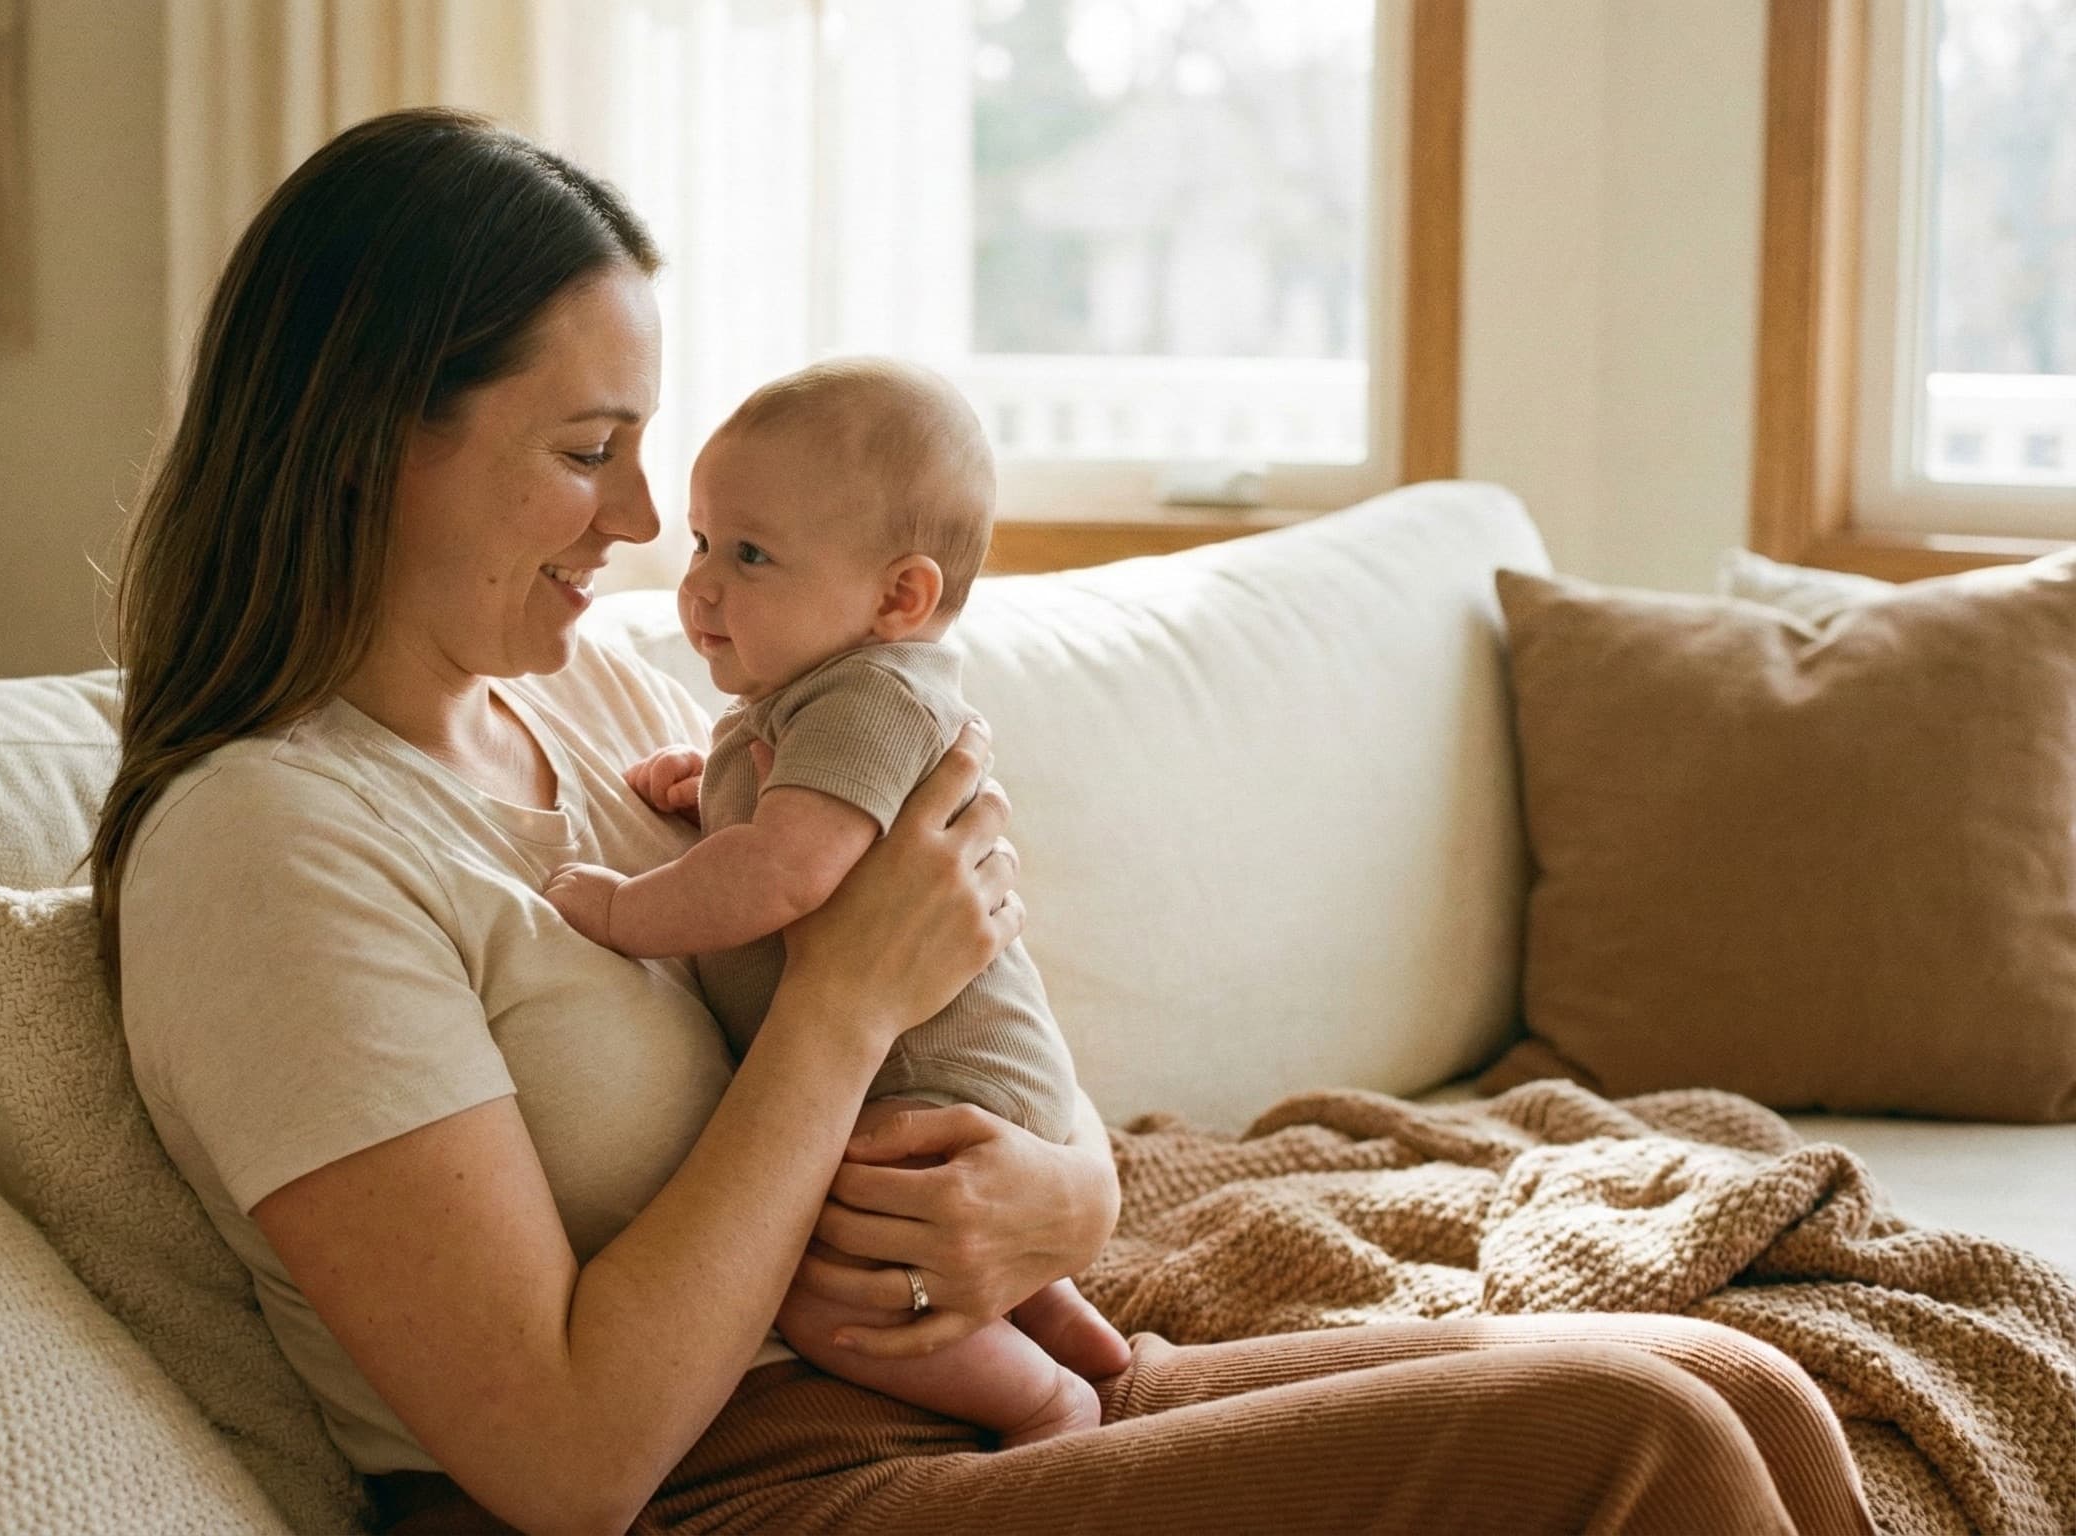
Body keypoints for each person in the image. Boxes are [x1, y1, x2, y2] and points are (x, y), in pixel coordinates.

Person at [97, 107, 1875, 1536]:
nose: (642, 522)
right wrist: (841, 1007)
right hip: (761, 1487)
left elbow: (986, 1040)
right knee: (1625, 1438)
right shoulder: (271, 851)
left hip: (969, 1393)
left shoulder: (612, 711)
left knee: (1740, 1386)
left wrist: (1058, 1199)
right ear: (358, 441)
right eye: (585, 449)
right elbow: (569, 1464)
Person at [542, 357, 1129, 1448]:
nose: (700, 585)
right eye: (707, 542)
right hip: (966, 1102)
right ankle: (1091, 1349)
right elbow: (786, 817)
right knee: (916, 1258)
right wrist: (704, 784)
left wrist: (626, 912)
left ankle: (1047, 1401)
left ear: (897, 598)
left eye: (751, 556)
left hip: (930, 1103)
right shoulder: (818, 699)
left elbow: (783, 872)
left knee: (818, 1291)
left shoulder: (869, 695)